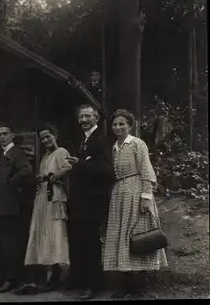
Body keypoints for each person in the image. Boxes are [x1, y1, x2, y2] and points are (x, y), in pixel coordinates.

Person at [103, 109, 168, 299]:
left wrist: (146, 197)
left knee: (139, 236)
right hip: (118, 195)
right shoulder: (114, 147)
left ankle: (141, 286)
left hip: (136, 192)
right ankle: (125, 285)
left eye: (122, 124)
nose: (118, 127)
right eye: (115, 124)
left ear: (130, 126)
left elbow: (146, 170)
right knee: (121, 238)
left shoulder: (137, 144)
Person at [14, 124, 72, 295]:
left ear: (55, 135)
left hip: (54, 196)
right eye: (43, 138)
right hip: (43, 196)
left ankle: (57, 276)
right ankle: (49, 275)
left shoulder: (61, 152)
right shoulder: (46, 156)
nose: (46, 140)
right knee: (45, 234)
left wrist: (54, 176)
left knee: (55, 233)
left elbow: (68, 167)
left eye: (48, 136)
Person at [66, 104, 115, 300]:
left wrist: (81, 164)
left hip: (94, 201)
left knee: (91, 243)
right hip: (80, 200)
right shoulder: (83, 139)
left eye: (87, 116)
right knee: (80, 241)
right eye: (81, 117)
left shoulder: (101, 140)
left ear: (96, 118)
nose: (84, 120)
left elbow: (106, 170)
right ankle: (81, 280)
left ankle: (94, 285)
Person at [0, 123, 34, 293]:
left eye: (5, 134)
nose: (2, 137)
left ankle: (11, 279)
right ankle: (1, 276)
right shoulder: (0, 154)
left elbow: (27, 171)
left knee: (9, 244)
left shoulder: (17, 152)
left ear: (12, 135)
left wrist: (11, 183)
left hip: (9, 206)